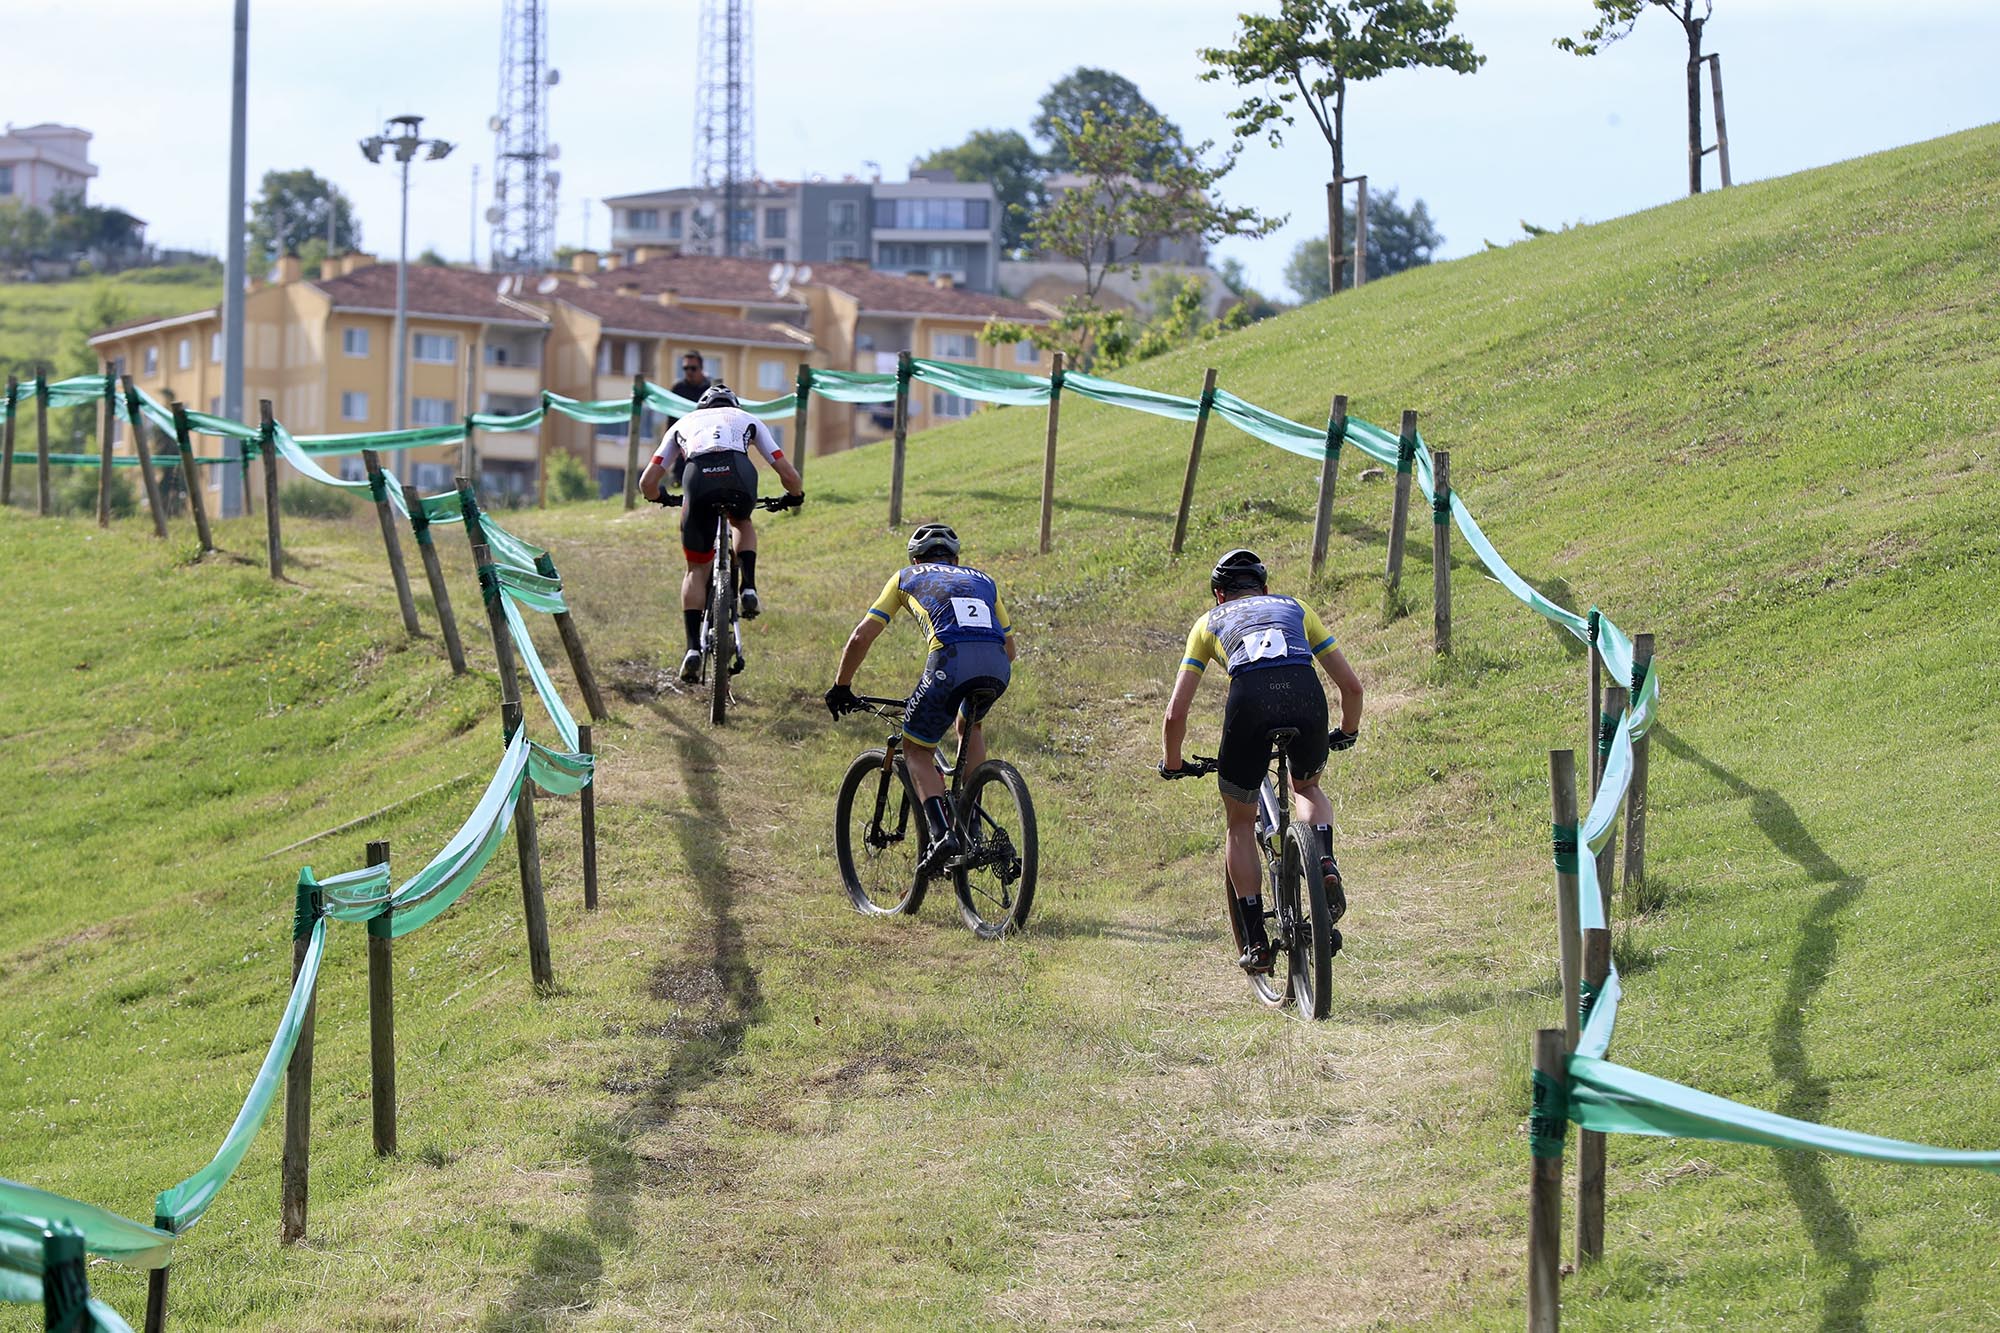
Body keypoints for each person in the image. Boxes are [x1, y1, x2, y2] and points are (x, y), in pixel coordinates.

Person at [1160, 549, 1363, 973]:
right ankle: (1323, 858)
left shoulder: (1208, 623)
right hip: (1305, 695)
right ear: (1265, 588)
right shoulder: (1295, 607)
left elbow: (1175, 714)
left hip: (1249, 704)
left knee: (1239, 820)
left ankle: (1256, 939)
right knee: (1307, 787)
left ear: (1219, 595)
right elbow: (1352, 687)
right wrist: (1347, 730)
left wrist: (1173, 761)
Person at [824, 523, 1017, 877]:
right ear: (957, 559)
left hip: (949, 661)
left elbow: (859, 637)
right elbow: (1011, 649)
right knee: (969, 724)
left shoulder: (905, 577)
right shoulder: (984, 580)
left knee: (916, 750)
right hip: (997, 665)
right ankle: (971, 820)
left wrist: (841, 685)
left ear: (915, 558)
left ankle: (942, 835)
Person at [640, 383, 803, 682]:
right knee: (741, 521)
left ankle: (692, 648)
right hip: (738, 474)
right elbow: (788, 474)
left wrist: (659, 496)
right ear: (734, 404)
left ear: (702, 407)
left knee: (695, 568)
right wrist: (794, 495)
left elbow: (647, 481)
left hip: (697, 480)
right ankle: (749, 587)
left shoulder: (683, 423)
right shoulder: (747, 419)